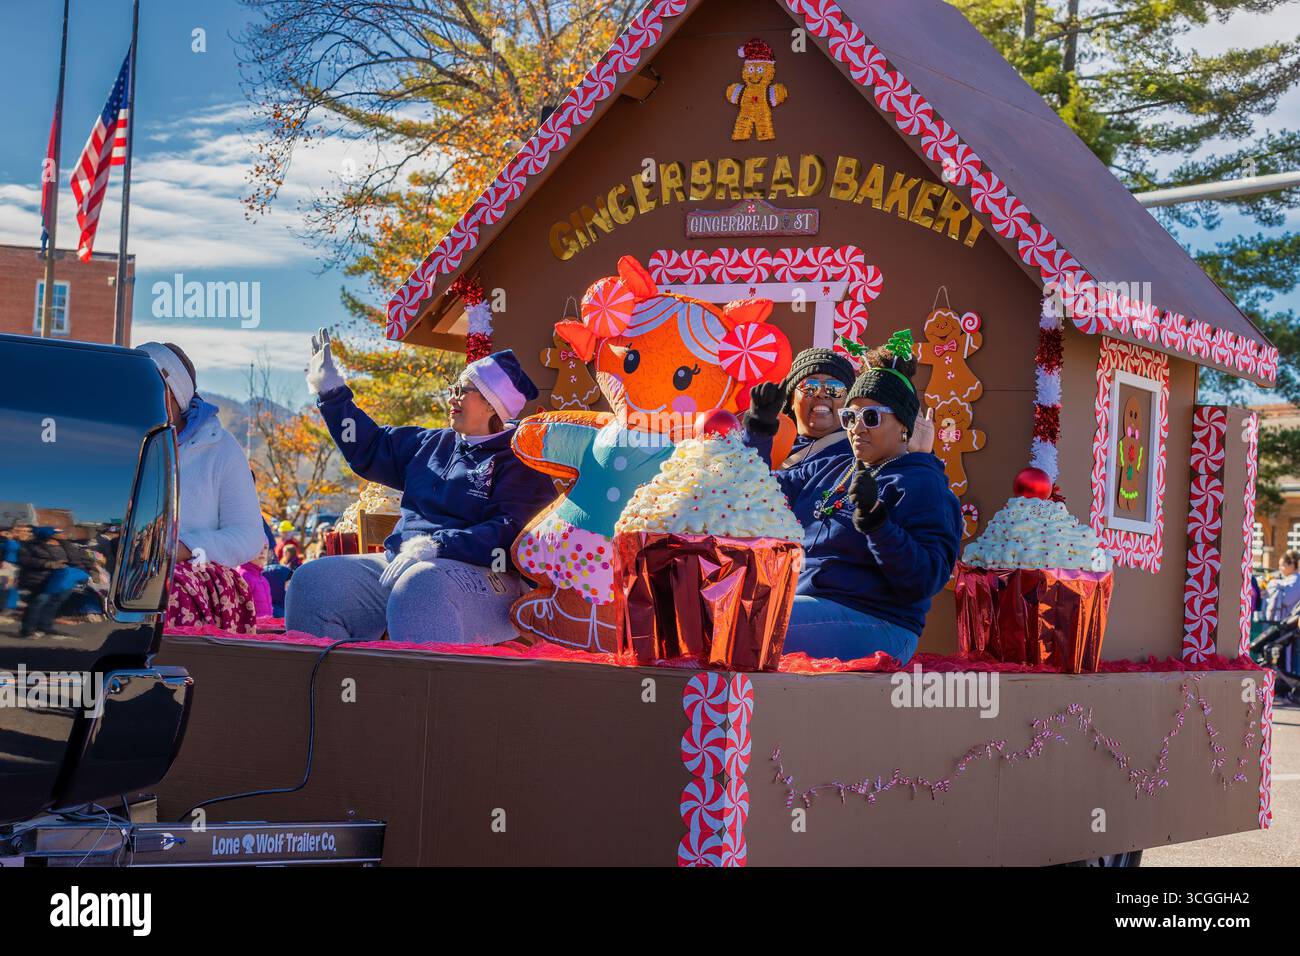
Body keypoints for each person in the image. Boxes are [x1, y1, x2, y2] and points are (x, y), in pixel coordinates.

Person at [286, 329, 557, 645]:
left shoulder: (519, 459)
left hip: (487, 577)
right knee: (312, 583)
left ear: (491, 404)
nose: (452, 397)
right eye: (452, 388)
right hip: (402, 564)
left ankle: (422, 694)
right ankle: (337, 691)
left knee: (421, 587)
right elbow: (368, 448)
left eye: (462, 390)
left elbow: (510, 532)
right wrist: (332, 393)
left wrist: (438, 545)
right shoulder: (429, 444)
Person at [744, 331, 962, 663]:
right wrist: (759, 429)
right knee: (726, 615)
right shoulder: (833, 467)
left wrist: (878, 524)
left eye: (871, 417)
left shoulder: (921, 483)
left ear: (904, 425)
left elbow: (924, 579)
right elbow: (753, 494)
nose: (857, 427)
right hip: (808, 606)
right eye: (850, 417)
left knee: (751, 626)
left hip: (879, 623)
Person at [139, 342, 265, 632]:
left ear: (175, 395)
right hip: (128, 565)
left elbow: (248, 535)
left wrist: (183, 548)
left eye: (150, 387)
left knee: (162, 591)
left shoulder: (220, 448)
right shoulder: (122, 442)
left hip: (194, 572)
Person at [745, 347, 934, 468]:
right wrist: (757, 432)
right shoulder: (767, 442)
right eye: (810, 387)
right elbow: (739, 489)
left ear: (849, 403)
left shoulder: (863, 450)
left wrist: (921, 456)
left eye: (834, 388)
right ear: (791, 400)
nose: (822, 393)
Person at [1265, 551, 1300, 622]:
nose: (1279, 568)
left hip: (1287, 625)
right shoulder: (1288, 579)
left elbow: (1287, 600)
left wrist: (1273, 586)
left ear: (1292, 565)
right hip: (1284, 622)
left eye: (1282, 565)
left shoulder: (1296, 580)